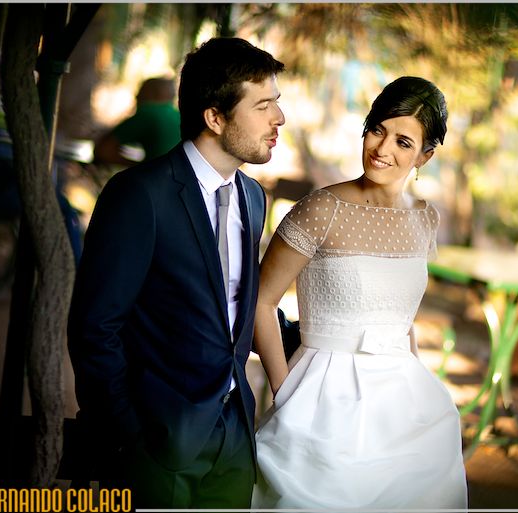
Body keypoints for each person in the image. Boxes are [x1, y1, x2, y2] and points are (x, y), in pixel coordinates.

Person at [67, 37, 285, 509]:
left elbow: (232, 307)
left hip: (234, 437)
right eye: (263, 105)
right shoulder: (139, 195)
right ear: (215, 117)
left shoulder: (252, 198)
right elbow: (94, 328)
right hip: (156, 444)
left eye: (277, 102)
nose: (279, 118)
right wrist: (130, 435)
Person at [251, 76, 468, 509]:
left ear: (425, 156)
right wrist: (284, 389)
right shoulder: (321, 209)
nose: (382, 148)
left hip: (402, 399)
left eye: (403, 142)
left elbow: (403, 319)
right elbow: (261, 300)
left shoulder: (425, 219)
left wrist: (416, 386)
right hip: (321, 396)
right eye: (377, 130)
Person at [93, 77, 181, 166]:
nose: (136, 96)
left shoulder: (148, 113)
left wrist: (136, 167)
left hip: (158, 173)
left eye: (141, 91)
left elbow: (103, 151)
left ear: (153, 93)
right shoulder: (179, 116)